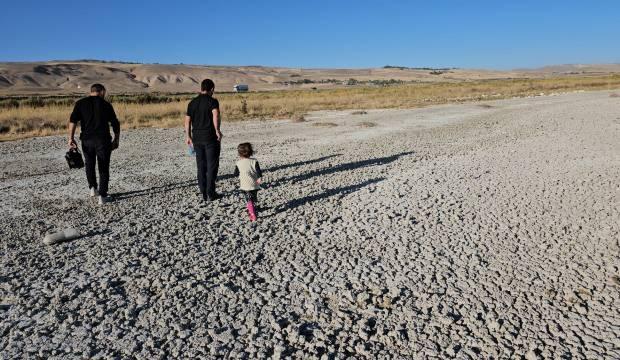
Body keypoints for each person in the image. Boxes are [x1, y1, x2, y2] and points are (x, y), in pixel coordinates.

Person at [68, 83, 120, 205]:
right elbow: (115, 123)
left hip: (86, 140)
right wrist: (116, 139)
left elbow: (73, 121)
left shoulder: (80, 103)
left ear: (91, 91)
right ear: (102, 91)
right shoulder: (106, 105)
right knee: (103, 166)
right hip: (103, 140)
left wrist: (70, 138)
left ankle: (92, 188)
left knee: (89, 164)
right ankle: (103, 195)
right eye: (104, 92)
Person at [185, 79, 222, 202]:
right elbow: (215, 114)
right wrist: (217, 130)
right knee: (212, 165)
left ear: (201, 88)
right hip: (210, 137)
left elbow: (187, 121)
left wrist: (188, 136)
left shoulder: (192, 103)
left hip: (197, 138)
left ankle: (203, 191)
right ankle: (210, 192)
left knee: (201, 165)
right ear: (211, 89)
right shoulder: (213, 101)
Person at [233, 143, 263, 221]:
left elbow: (235, 173)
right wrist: (259, 178)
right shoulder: (254, 161)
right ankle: (253, 205)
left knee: (248, 199)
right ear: (251, 152)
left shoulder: (238, 163)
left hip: (244, 184)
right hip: (254, 184)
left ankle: (252, 212)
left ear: (239, 153)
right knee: (253, 196)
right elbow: (259, 171)